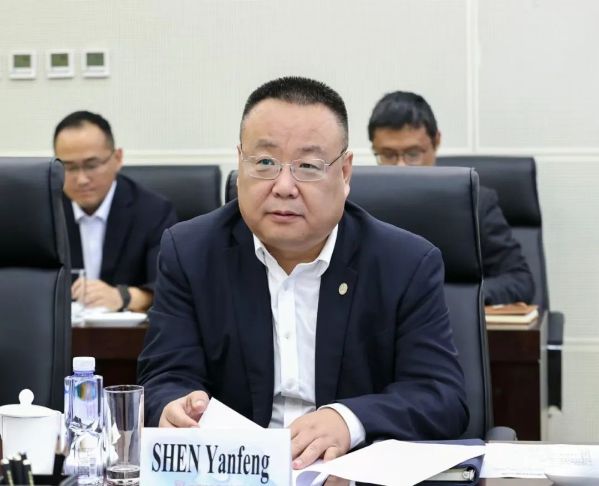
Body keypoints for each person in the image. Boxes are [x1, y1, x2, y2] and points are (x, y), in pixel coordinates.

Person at [138, 77, 468, 471]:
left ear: (345, 173)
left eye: (308, 166)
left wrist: (348, 420)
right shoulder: (190, 252)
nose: (283, 186)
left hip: (349, 473)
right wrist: (174, 405)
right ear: (240, 163)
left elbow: (440, 397)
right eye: (265, 163)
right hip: (234, 472)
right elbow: (164, 377)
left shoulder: (405, 262)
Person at [368, 91, 535, 305]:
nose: (401, 166)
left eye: (413, 154)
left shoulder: (474, 203)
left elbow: (520, 281)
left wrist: (457, 299)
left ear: (436, 141)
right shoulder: (361, 209)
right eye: (388, 155)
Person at [54, 111, 177, 312]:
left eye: (91, 165)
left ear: (117, 158)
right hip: (60, 329)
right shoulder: (44, 214)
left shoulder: (153, 211)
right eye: (69, 168)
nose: (81, 179)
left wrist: (123, 296)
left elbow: (167, 287)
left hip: (126, 329)